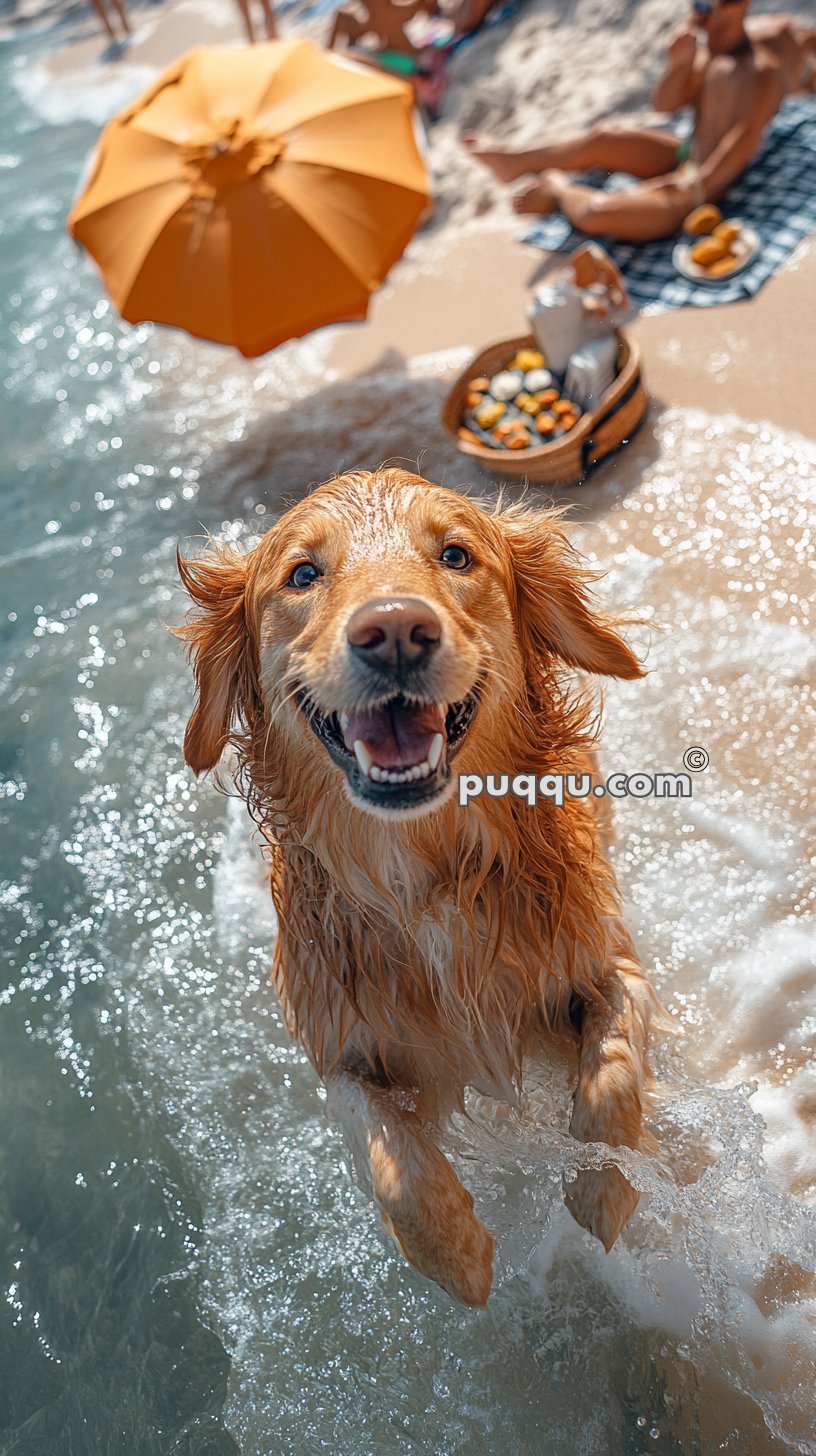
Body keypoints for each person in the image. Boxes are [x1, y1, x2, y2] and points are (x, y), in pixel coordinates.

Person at [463, 0, 816, 242]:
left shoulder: (760, 73)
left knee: (597, 213)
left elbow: (734, 152)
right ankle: (517, 160)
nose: (701, 15)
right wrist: (679, 64)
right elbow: (665, 105)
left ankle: (556, 190)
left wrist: (671, 190)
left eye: (711, 7)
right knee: (606, 135)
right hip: (686, 154)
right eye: (698, 4)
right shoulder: (710, 46)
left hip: (702, 188)